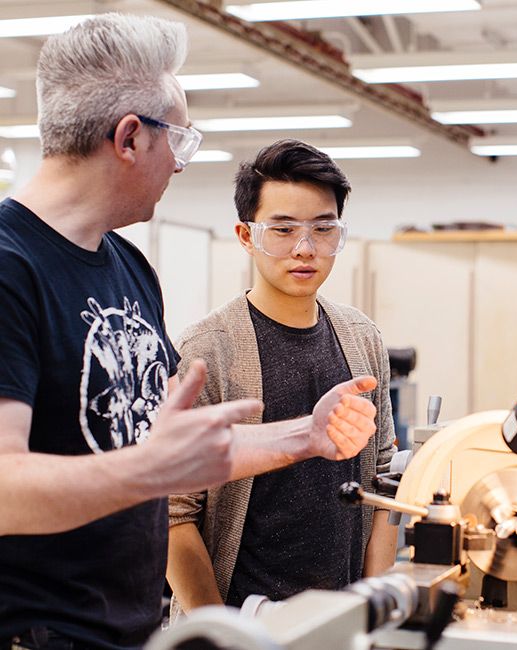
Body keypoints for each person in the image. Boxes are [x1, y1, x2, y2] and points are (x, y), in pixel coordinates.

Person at [0, 15, 379, 649]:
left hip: (129, 630)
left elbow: (173, 456)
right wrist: (146, 471)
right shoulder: (11, 267)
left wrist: (305, 436)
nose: (178, 165)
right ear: (128, 138)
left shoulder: (126, 266)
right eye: (177, 138)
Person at [167, 140, 397, 614]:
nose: (305, 249)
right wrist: (220, 633)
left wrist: (374, 614)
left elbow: (383, 487)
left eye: (323, 229)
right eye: (283, 229)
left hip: (342, 623)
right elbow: (172, 513)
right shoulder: (208, 350)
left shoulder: (362, 338)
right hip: (242, 623)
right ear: (246, 236)